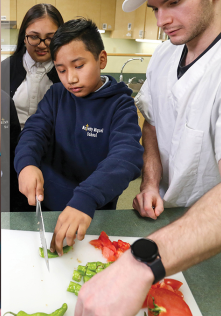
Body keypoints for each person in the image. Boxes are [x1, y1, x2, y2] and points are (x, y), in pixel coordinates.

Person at [75, 0, 221, 314]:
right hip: (162, 220)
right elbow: (152, 121)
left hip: (217, 237)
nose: (163, 20)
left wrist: (139, 265)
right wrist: (150, 181)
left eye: (175, 2)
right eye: (155, 8)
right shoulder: (165, 55)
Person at [14, 18, 143, 255]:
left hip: (92, 212)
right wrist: (26, 165)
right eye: (61, 70)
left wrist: (86, 197)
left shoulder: (120, 105)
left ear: (101, 59)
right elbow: (34, 131)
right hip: (50, 209)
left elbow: (126, 156)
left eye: (79, 66)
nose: (70, 78)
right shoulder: (56, 95)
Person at [3, 3, 64, 212]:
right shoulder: (4, 70)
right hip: (10, 164)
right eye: (34, 36)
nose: (42, 44)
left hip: (54, 164)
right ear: (23, 36)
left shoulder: (68, 75)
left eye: (50, 37)